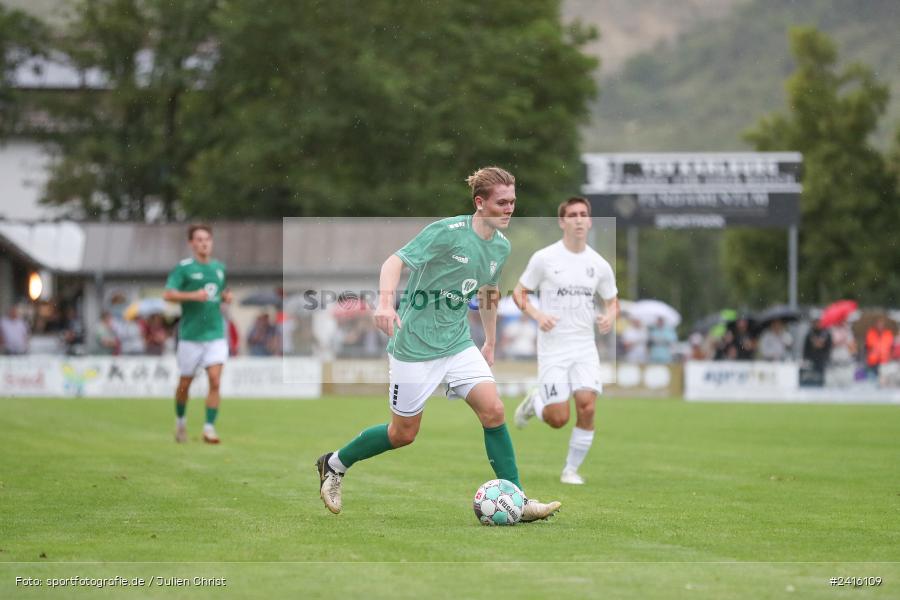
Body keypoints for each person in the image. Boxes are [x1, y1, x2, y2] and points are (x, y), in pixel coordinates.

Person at [314, 166, 560, 521]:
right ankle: (334, 464)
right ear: (480, 203)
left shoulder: (501, 246)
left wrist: (489, 341)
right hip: (414, 347)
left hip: (458, 344)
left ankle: (517, 501)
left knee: (494, 411)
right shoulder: (447, 232)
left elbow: (489, 292)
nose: (509, 209)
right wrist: (385, 303)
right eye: (502, 202)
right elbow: (393, 261)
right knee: (402, 434)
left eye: (513, 202)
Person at [511, 197, 618, 486]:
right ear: (562, 222)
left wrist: (609, 316)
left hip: (585, 346)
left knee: (587, 406)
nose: (579, 219)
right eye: (573, 215)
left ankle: (570, 470)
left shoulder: (599, 264)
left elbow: (612, 300)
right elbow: (519, 293)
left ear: (590, 220)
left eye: (584, 214)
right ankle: (536, 401)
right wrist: (537, 314)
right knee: (559, 419)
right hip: (553, 348)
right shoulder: (545, 258)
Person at [163, 224, 233, 444]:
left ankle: (209, 428)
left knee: (215, 380)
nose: (204, 243)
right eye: (199, 239)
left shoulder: (219, 268)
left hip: (215, 334)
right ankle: (181, 422)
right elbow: (168, 294)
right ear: (191, 243)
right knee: (185, 384)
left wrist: (225, 298)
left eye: (207, 239)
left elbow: (219, 294)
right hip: (191, 336)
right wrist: (193, 295)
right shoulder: (183, 268)